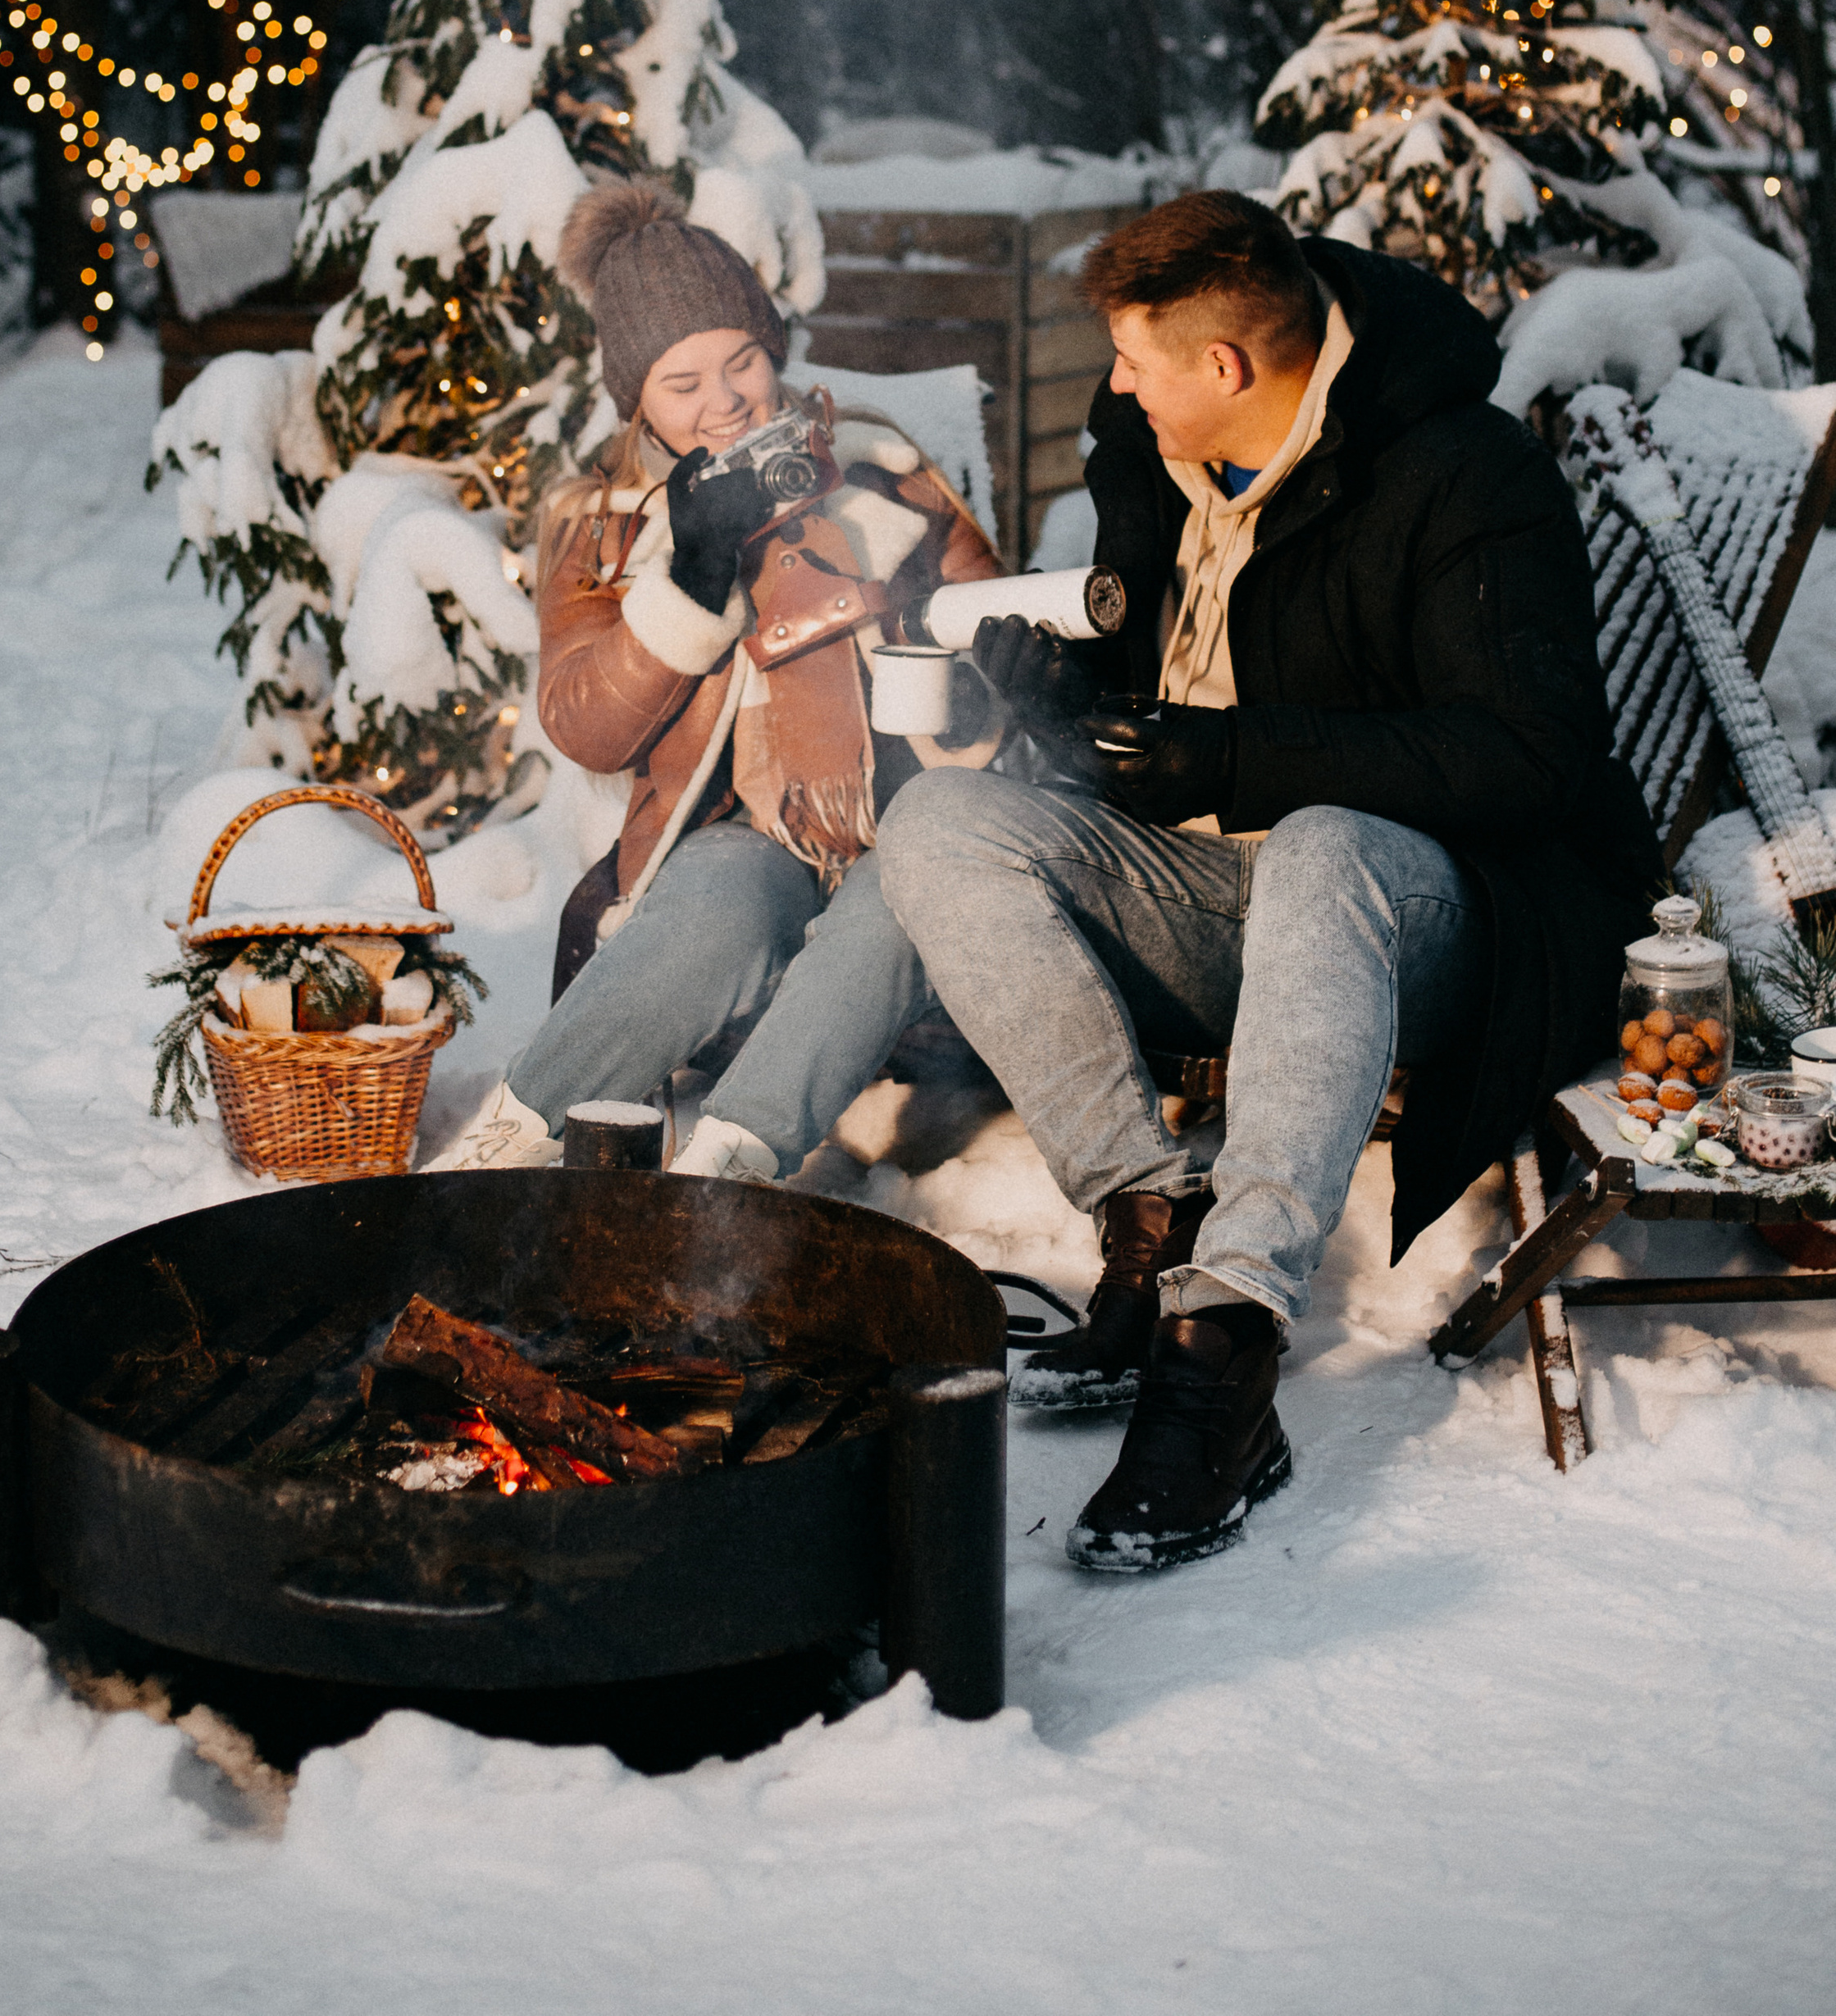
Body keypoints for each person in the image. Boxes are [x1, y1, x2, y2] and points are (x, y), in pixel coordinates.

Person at [874, 189, 1662, 1575]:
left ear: (1227, 368)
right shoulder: (1151, 456)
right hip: (1225, 900)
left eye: (1134, 358)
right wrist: (1056, 686)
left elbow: (1531, 759)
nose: (1116, 384)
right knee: (945, 821)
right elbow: (1151, 708)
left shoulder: (1462, 473)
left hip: (1435, 917)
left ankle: (1222, 1349)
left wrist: (1236, 757)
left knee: (1324, 840)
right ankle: (1149, 1219)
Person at [436, 177, 1003, 1181]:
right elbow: (585, 730)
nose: (725, 400)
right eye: (681, 382)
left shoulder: (880, 466)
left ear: (773, 349)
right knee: (721, 905)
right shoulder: (602, 521)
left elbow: (995, 637)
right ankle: (502, 1154)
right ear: (636, 399)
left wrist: (972, 700)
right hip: (737, 833)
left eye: (740, 362)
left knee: (901, 892)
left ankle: (724, 1182)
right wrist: (692, 578)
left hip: (911, 821)